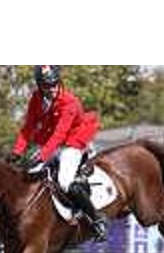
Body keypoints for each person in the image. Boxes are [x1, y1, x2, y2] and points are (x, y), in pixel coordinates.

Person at [7, 65, 107, 242]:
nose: (52, 89)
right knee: (28, 175)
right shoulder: (36, 98)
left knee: (64, 182)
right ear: (39, 86)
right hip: (50, 142)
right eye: (48, 86)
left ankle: (96, 219)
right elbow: (28, 126)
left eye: (55, 84)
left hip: (73, 141)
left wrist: (43, 155)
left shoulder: (70, 102)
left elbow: (60, 133)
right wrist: (17, 150)